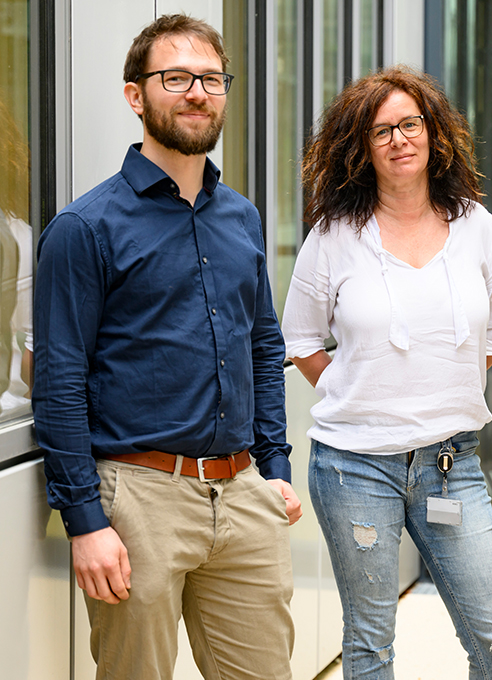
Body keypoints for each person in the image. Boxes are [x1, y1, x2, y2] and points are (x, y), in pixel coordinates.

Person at [32, 14, 302, 680]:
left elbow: (262, 346)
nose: (198, 93)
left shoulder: (241, 216)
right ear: (136, 95)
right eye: (176, 78)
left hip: (243, 493)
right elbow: (59, 381)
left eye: (211, 78)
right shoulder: (84, 227)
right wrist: (85, 520)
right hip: (138, 500)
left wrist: (275, 467)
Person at [281, 66, 492, 679]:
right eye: (380, 130)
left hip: (451, 463)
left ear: (434, 132)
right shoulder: (333, 236)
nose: (398, 140)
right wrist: (354, 389)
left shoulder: (478, 228)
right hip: (354, 465)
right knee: (371, 644)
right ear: (360, 147)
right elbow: (301, 339)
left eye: (410, 124)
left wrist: (442, 382)